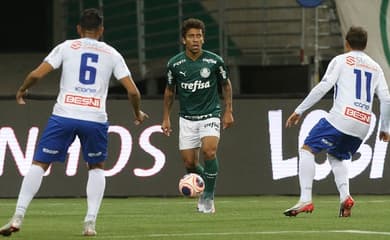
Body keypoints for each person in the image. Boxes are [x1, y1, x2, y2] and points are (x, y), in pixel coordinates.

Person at [0, 8, 148, 236]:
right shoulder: (112, 53)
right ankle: (90, 223)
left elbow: (37, 74)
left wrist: (22, 89)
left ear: (79, 29)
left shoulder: (66, 47)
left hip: (64, 115)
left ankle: (18, 216)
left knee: (39, 163)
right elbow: (133, 91)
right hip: (95, 119)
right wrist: (137, 113)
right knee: (97, 167)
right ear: (101, 30)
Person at [283, 26, 390, 217]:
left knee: (307, 149)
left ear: (346, 43)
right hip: (363, 126)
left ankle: (305, 199)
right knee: (336, 157)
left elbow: (324, 86)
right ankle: (345, 198)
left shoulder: (341, 60)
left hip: (341, 118)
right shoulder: (376, 67)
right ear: (365, 45)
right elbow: (386, 99)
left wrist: (299, 110)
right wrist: (385, 128)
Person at [161, 18, 234, 213]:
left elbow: (226, 85)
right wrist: (166, 117)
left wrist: (228, 111)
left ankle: (208, 198)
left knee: (209, 152)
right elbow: (169, 91)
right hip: (187, 119)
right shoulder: (175, 64)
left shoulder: (214, 61)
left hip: (210, 114)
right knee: (190, 163)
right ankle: (204, 187)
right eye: (191, 36)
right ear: (184, 40)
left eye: (199, 36)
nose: (195, 40)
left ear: (203, 39)